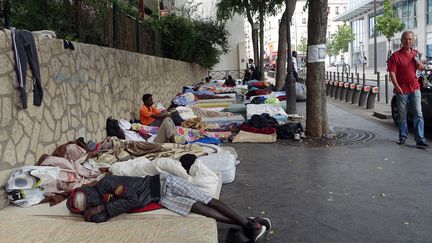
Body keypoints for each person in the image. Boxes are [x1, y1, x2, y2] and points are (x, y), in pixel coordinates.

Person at [67, 155, 271, 242]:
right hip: (162, 197)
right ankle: (250, 224)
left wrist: (102, 210)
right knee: (200, 209)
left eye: (86, 202)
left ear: (86, 192)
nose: (90, 205)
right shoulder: (101, 203)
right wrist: (93, 215)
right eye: (84, 207)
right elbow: (102, 217)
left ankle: (250, 225)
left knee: (208, 201)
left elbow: (133, 200)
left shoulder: (106, 184)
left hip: (165, 183)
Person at [388, 31, 428, 147]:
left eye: (410, 39)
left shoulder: (415, 54)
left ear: (413, 41)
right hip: (402, 90)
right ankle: (403, 137)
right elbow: (392, 73)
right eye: (406, 39)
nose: (408, 41)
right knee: (402, 115)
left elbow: (421, 67)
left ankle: (420, 138)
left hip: (415, 88)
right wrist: (397, 87)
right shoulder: (395, 56)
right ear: (401, 40)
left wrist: (421, 66)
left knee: (418, 113)